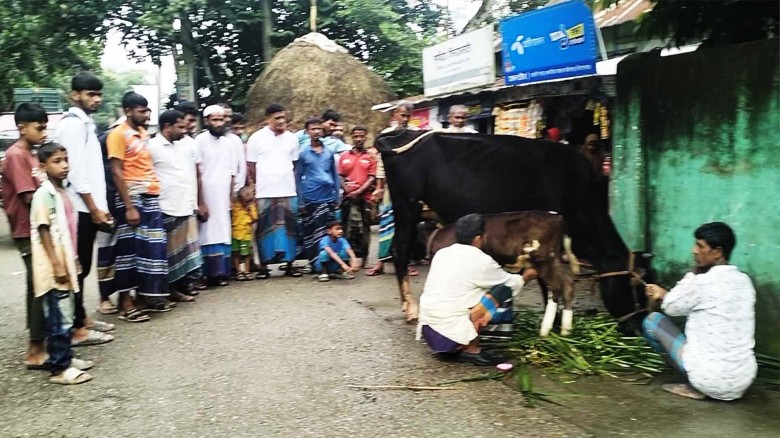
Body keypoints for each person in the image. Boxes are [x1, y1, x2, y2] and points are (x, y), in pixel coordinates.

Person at [643, 222, 757, 401]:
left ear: (717, 252)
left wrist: (693, 273)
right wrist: (666, 294)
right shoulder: (744, 281)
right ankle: (704, 381)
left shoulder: (701, 282)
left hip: (710, 380)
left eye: (700, 246)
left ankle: (693, 383)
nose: (694, 250)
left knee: (652, 321)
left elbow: (670, 308)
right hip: (743, 380)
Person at [416, 214, 537, 366]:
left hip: (431, 334)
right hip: (450, 339)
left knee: (468, 293)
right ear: (478, 239)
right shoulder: (481, 260)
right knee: (502, 291)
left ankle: (464, 340)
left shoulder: (442, 253)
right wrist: (527, 275)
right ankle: (471, 349)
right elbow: (511, 283)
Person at [53, 72, 115, 342]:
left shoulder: (86, 124)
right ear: (74, 95)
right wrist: (94, 208)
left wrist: (100, 207)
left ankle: (83, 319)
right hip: (78, 207)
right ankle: (77, 329)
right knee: (78, 267)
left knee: (84, 266)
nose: (96, 99)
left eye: (98, 94)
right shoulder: (72, 125)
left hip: (88, 207)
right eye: (90, 94)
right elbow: (75, 173)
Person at [29, 143, 95, 384]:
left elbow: (69, 233)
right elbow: (43, 229)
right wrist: (57, 265)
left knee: (66, 315)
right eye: (57, 161)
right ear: (42, 166)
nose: (64, 165)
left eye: (66, 159)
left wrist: (74, 260)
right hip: (52, 266)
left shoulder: (63, 192)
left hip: (66, 262)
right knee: (59, 317)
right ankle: (59, 368)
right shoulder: (43, 194)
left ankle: (65, 356)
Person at [105, 92, 170, 321]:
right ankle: (126, 303)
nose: (147, 114)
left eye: (148, 110)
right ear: (128, 111)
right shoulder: (117, 134)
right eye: (142, 111)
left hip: (150, 195)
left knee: (150, 250)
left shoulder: (142, 134)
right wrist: (129, 206)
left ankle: (144, 297)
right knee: (128, 251)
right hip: (131, 198)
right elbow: (116, 171)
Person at [2, 103, 49, 367]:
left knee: (43, 286)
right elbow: (30, 196)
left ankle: (42, 343)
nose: (44, 133)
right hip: (26, 228)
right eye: (39, 128)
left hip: (38, 227)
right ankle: (35, 349)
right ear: (22, 127)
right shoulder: (16, 155)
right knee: (38, 288)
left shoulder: (32, 154)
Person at [148, 110, 203, 303]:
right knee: (167, 253)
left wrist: (194, 202)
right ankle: (167, 290)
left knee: (182, 251)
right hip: (166, 205)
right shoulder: (152, 147)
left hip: (184, 204)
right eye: (179, 127)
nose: (184, 130)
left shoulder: (181, 146)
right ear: (167, 127)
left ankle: (178, 288)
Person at [246, 103, 302, 278]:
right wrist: (258, 184)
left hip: (287, 189)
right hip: (265, 190)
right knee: (264, 228)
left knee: (290, 227)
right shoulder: (256, 138)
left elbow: (294, 163)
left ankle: (290, 263)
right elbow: (251, 165)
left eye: (283, 118)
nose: (281, 121)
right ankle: (264, 266)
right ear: (267, 119)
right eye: (277, 118)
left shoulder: (292, 138)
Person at [366, 102, 419, 277]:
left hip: (410, 184)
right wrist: (379, 187)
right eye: (402, 115)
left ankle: (408, 262)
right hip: (391, 185)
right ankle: (381, 262)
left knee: (408, 223)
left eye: (407, 116)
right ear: (394, 115)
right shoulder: (386, 136)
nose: (405, 119)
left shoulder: (415, 134)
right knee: (386, 223)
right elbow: (382, 163)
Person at [196, 105, 237, 286]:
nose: (219, 123)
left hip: (223, 194)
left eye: (221, 120)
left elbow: (232, 171)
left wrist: (230, 195)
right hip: (206, 193)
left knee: (222, 230)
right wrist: (201, 201)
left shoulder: (228, 143)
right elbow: (196, 172)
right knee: (207, 232)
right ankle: (207, 273)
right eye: (215, 120)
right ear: (206, 121)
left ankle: (222, 272)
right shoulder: (199, 141)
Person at [296, 118, 340, 268]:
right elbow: (298, 177)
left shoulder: (329, 152)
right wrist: (301, 200)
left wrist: (337, 195)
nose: (316, 132)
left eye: (318, 129)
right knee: (311, 231)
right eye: (312, 129)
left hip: (328, 196)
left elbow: (335, 174)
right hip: (310, 196)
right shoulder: (303, 154)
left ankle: (328, 262)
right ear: (307, 132)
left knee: (328, 230)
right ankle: (312, 262)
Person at [175, 102, 209, 293]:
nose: (190, 125)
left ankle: (188, 281)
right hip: (172, 202)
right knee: (176, 245)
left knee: (190, 243)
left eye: (192, 121)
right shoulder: (163, 142)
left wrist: (201, 201)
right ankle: (177, 285)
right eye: (187, 121)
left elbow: (197, 174)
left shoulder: (192, 143)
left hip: (190, 201)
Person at [338, 125, 376, 264]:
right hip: (348, 198)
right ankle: (348, 258)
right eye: (356, 136)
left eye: (361, 136)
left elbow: (372, 177)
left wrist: (359, 191)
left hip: (364, 198)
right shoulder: (344, 156)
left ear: (366, 137)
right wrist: (347, 190)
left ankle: (364, 259)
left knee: (364, 228)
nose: (359, 139)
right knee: (347, 228)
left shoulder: (370, 157)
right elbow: (340, 176)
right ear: (351, 138)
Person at [231, 186, 258, 281]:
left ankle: (247, 271)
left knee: (246, 254)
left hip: (246, 234)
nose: (248, 203)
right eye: (245, 201)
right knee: (236, 253)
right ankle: (239, 272)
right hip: (235, 234)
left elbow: (255, 219)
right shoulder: (235, 206)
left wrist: (249, 210)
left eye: (249, 200)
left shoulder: (251, 207)